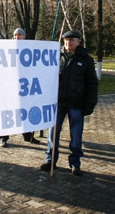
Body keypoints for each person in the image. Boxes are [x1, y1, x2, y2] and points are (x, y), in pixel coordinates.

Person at [40, 30, 98, 175]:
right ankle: (50, 159)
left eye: (72, 40)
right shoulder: (55, 57)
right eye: (66, 40)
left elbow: (92, 83)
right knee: (53, 132)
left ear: (78, 42)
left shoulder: (86, 60)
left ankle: (75, 163)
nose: (68, 42)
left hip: (76, 103)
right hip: (58, 102)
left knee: (76, 135)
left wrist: (90, 103)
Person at [0, 28, 40, 147]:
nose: (17, 37)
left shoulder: (30, 49)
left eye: (20, 35)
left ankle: (28, 136)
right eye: (15, 35)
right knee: (7, 112)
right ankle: (3, 137)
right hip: (9, 86)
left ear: (24, 37)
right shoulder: (6, 48)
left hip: (24, 87)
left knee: (25, 111)